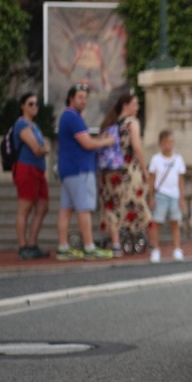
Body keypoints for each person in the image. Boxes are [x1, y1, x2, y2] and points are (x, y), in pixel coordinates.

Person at [55, 83, 116, 261]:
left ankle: (63, 247)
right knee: (84, 209)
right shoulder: (73, 117)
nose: (84, 101)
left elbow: (85, 140)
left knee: (66, 210)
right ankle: (89, 246)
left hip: (68, 169)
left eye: (85, 97)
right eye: (80, 97)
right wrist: (106, 142)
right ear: (71, 98)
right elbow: (87, 144)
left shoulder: (68, 116)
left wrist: (97, 139)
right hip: (80, 169)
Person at [96, 92, 150, 257]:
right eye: (135, 104)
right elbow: (137, 147)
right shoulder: (131, 122)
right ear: (125, 105)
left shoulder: (109, 123)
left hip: (109, 174)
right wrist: (144, 169)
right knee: (133, 204)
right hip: (128, 172)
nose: (137, 107)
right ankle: (134, 236)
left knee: (111, 207)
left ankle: (116, 244)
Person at [11, 92, 50, 260]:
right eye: (30, 104)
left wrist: (45, 148)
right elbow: (37, 148)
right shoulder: (21, 125)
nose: (34, 107)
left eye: (36, 104)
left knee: (43, 206)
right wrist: (46, 149)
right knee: (24, 208)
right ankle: (22, 246)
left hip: (38, 170)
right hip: (26, 169)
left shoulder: (35, 126)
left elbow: (44, 145)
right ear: (23, 106)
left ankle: (32, 243)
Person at [147, 129, 188, 263]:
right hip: (161, 194)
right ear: (160, 144)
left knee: (175, 222)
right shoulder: (156, 159)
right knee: (157, 222)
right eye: (165, 142)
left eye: (170, 142)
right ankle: (155, 249)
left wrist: (182, 198)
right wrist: (151, 196)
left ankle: (176, 249)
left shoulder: (178, 159)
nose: (168, 145)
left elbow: (180, 179)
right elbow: (152, 179)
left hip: (175, 195)